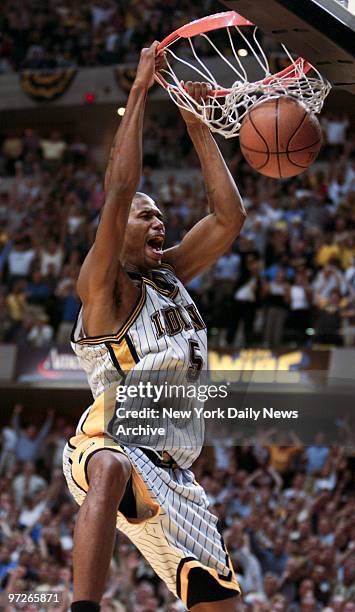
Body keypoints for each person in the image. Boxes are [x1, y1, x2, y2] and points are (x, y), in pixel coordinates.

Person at [63, 42, 246, 612]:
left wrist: (196, 121)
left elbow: (228, 217)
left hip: (177, 473)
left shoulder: (169, 276)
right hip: (112, 440)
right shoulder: (104, 289)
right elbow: (119, 189)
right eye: (147, 215)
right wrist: (142, 89)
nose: (159, 219)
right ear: (116, 233)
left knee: (223, 605)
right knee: (112, 465)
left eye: (160, 214)